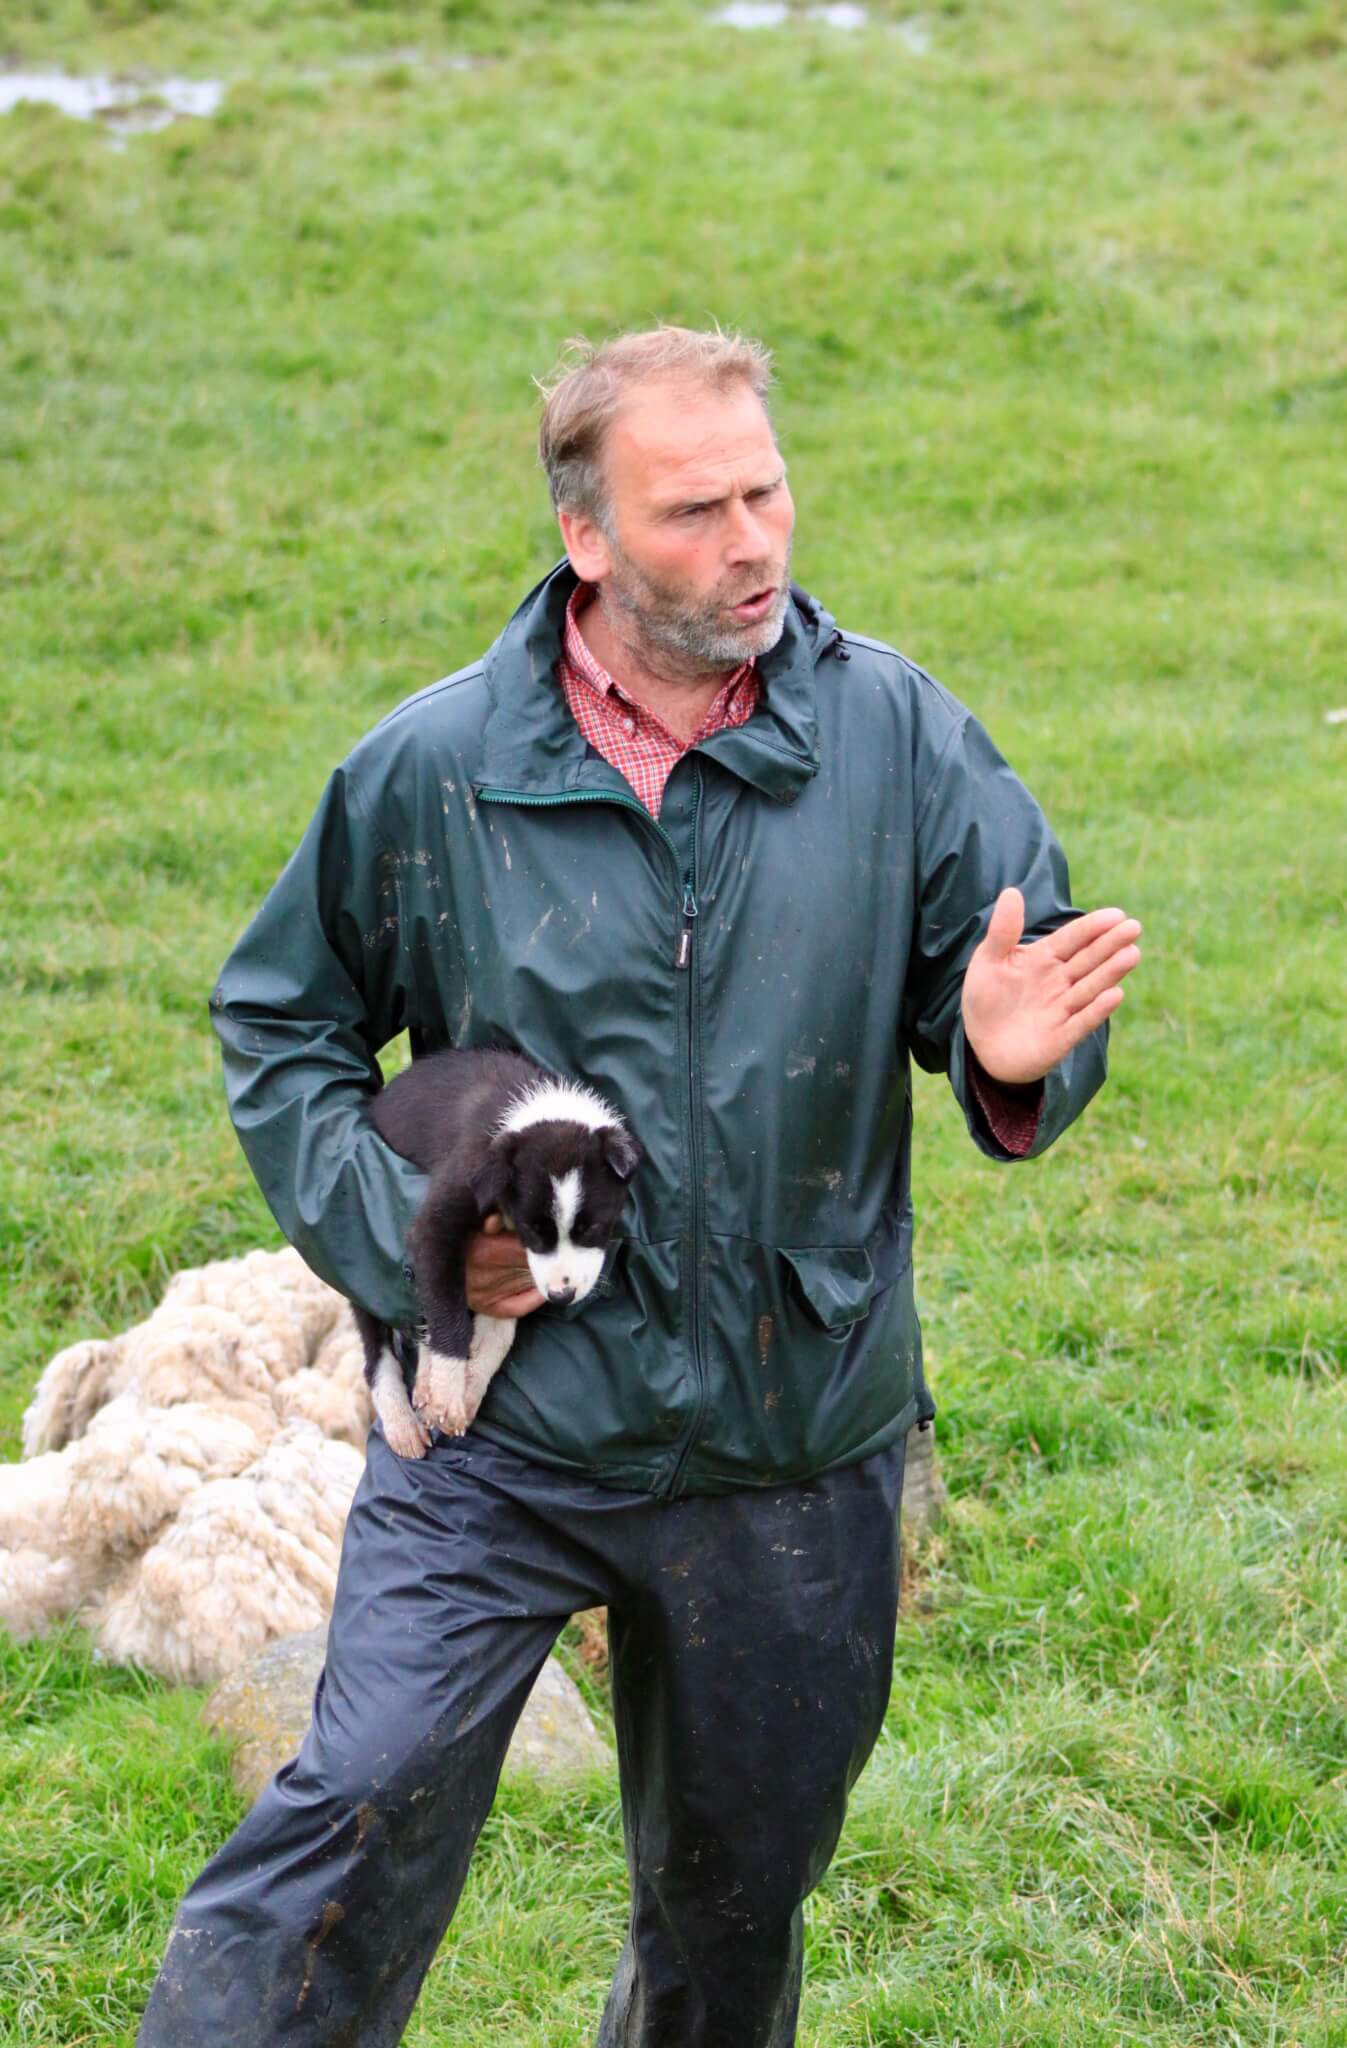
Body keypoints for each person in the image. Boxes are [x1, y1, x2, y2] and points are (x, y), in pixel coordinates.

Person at [137, 326, 1141, 2047]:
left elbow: (1013, 976)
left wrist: (1009, 1050)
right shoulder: (433, 767)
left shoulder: (897, 736)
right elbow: (279, 1019)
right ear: (585, 537)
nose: (752, 540)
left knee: (732, 1913)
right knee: (348, 1824)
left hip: (791, 1435)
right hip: (499, 1439)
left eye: (767, 492)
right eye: (694, 511)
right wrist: (412, 1247)